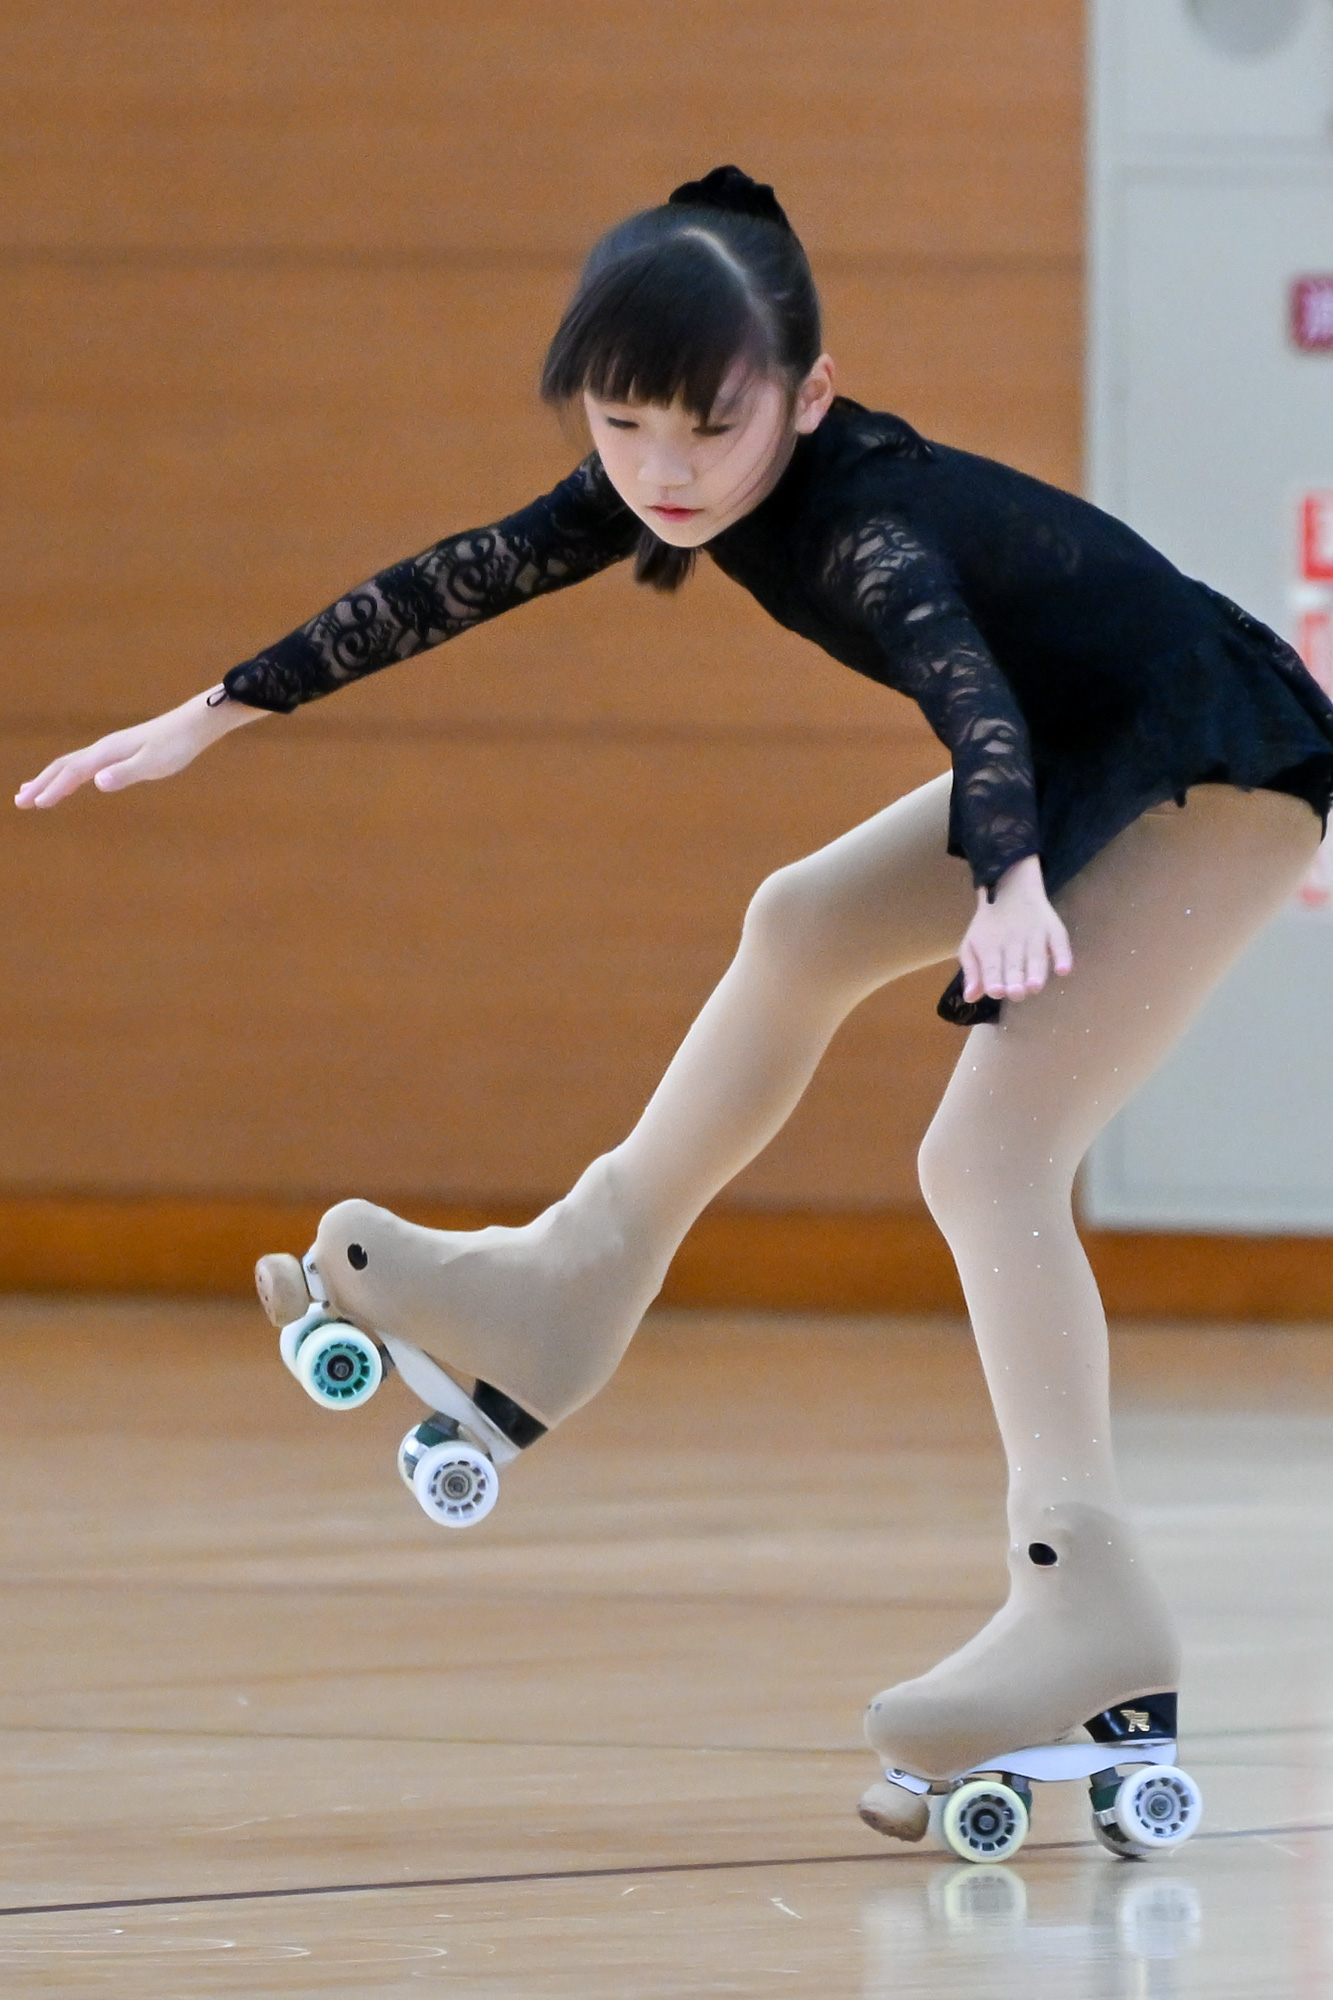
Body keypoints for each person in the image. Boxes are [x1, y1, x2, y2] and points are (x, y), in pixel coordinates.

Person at [18, 166, 1333, 1838]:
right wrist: (215, 711)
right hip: (1090, 753)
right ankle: (568, 1286)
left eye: (711, 429)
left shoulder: (867, 526)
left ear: (808, 395)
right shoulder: (660, 480)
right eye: (622, 424)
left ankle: (1086, 1599)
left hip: (1213, 771)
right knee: (797, 923)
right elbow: (464, 573)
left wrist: (1007, 881)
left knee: (988, 1158)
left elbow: (971, 697)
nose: (663, 472)